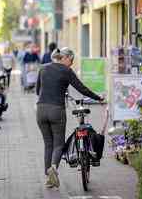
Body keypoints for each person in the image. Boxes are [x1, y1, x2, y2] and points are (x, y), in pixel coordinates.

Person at [36, 47, 104, 188]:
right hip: (56, 110)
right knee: (59, 144)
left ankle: (49, 178)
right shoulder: (66, 71)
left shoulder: (42, 68)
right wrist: (98, 97)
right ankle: (53, 168)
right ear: (65, 58)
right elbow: (81, 88)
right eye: (71, 60)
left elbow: (38, 90)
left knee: (48, 144)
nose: (71, 64)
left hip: (41, 110)